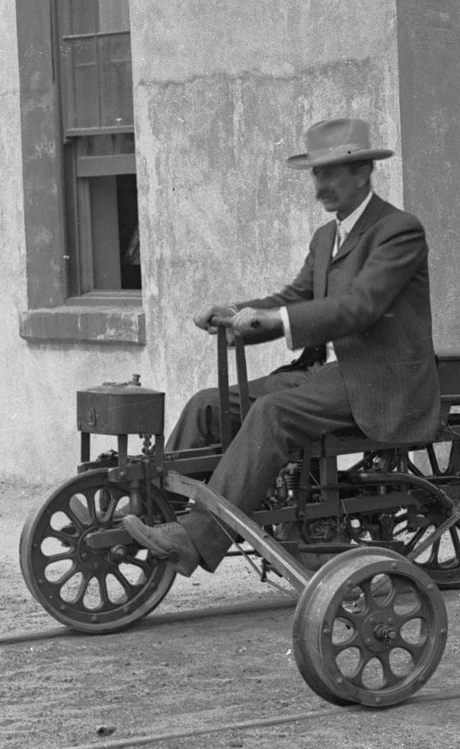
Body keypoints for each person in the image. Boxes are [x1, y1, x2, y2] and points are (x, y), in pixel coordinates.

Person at [122, 116, 443, 574]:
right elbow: (292, 300)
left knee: (272, 414)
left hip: (377, 379)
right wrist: (234, 311)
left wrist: (274, 319)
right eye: (315, 173)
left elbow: (360, 307)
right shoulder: (327, 237)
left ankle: (198, 536)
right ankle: (159, 516)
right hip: (327, 374)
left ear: (362, 172)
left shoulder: (398, 230)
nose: (319, 186)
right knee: (209, 405)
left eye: (329, 172)